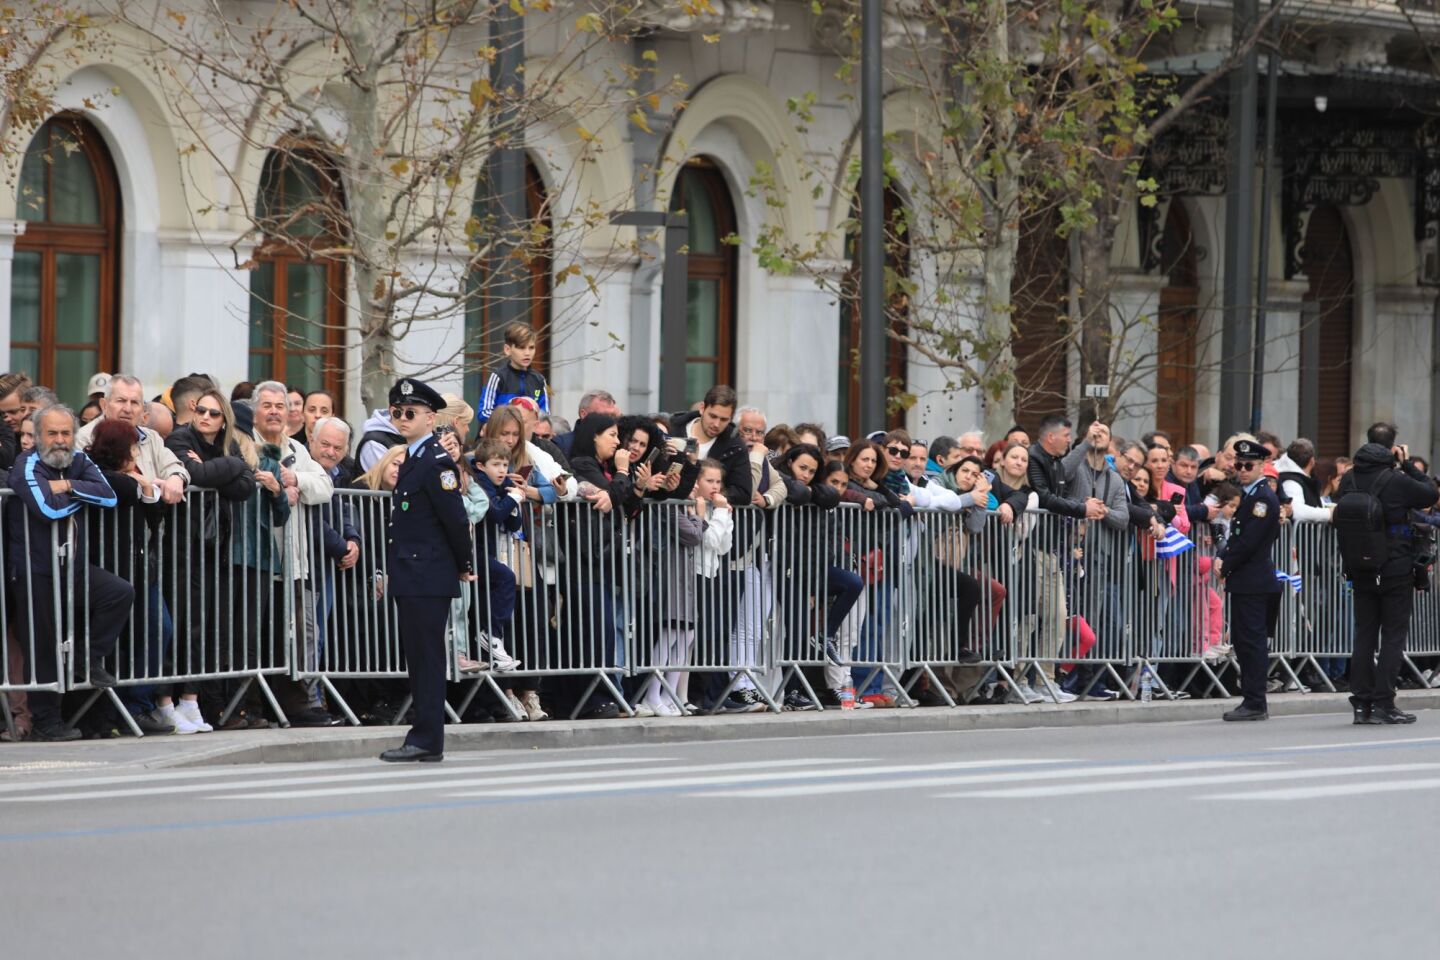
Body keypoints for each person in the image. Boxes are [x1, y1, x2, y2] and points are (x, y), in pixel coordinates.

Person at [8, 404, 134, 741]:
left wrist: (66, 486)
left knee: (119, 592)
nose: (61, 440)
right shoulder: (26, 465)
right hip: (36, 570)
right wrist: (83, 493)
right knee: (42, 646)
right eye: (53, 433)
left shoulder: (79, 459)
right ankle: (46, 722)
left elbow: (109, 496)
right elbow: (48, 509)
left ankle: (85, 657)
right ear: (38, 436)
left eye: (66, 433)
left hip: (73, 567)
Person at [378, 377, 475, 762]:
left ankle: (427, 739)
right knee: (418, 658)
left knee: (427, 659)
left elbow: (455, 518)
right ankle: (425, 737)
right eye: (396, 412)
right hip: (412, 572)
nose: (402, 418)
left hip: (427, 574)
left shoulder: (436, 462)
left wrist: (464, 564)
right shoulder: (414, 458)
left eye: (410, 412)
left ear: (431, 418)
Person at [166, 387, 258, 730]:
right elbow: (196, 474)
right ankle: (168, 700)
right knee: (178, 625)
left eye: (214, 413)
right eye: (201, 410)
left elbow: (245, 486)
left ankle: (191, 700)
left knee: (201, 625)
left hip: (212, 547)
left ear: (224, 420)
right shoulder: (179, 438)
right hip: (179, 545)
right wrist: (230, 467)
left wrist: (217, 467)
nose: (205, 417)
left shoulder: (227, 444)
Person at [1336, 422, 1440, 724]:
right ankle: (1384, 704)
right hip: (1394, 566)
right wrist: (1406, 464)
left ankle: (1361, 705)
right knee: (1393, 636)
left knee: (1364, 635)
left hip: (1359, 566)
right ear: (1392, 449)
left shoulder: (1350, 478)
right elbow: (1430, 493)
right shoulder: (1397, 479)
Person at [1213, 439, 1283, 721]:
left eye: (1248, 465)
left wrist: (1225, 565)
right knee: (1244, 641)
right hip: (1247, 580)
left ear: (1262, 466)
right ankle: (1252, 699)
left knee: (1251, 643)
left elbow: (1249, 542)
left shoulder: (1262, 499)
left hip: (1254, 581)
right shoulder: (1250, 496)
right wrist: (1223, 557)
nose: (1242, 470)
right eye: (1239, 464)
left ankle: (1255, 702)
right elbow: (1238, 537)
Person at [479, 321, 550, 424]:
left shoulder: (539, 380)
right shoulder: (498, 377)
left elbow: (545, 415)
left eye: (531, 347)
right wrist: (512, 424)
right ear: (507, 350)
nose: (527, 353)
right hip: (501, 432)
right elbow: (484, 412)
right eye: (521, 347)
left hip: (531, 433)